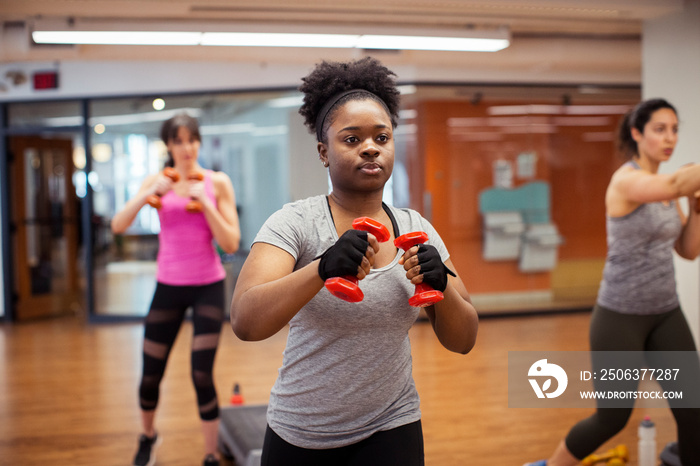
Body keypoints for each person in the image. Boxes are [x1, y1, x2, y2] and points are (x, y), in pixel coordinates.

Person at [229, 57, 478, 466]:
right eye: (351, 139)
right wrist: (321, 268)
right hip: (302, 433)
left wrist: (443, 286)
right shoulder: (295, 223)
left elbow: (464, 339)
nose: (370, 147)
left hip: (393, 426)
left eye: (382, 137)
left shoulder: (416, 228)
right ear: (324, 152)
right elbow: (245, 321)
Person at [525, 98, 700, 466]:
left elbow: (687, 250)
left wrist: (696, 211)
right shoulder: (628, 180)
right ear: (637, 134)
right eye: (659, 129)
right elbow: (675, 181)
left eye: (674, 129)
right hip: (621, 317)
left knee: (693, 409)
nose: (669, 138)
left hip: (666, 312)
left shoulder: (670, 193)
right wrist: (684, 184)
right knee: (612, 417)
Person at [111, 112, 241, 466]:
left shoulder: (217, 182)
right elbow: (118, 225)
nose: (187, 147)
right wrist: (146, 196)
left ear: (199, 142)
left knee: (201, 373)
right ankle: (148, 437)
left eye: (192, 139)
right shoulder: (158, 181)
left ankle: (210, 454)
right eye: (179, 140)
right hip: (168, 285)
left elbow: (231, 241)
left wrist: (208, 203)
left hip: (207, 287)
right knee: (150, 373)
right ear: (168, 144)